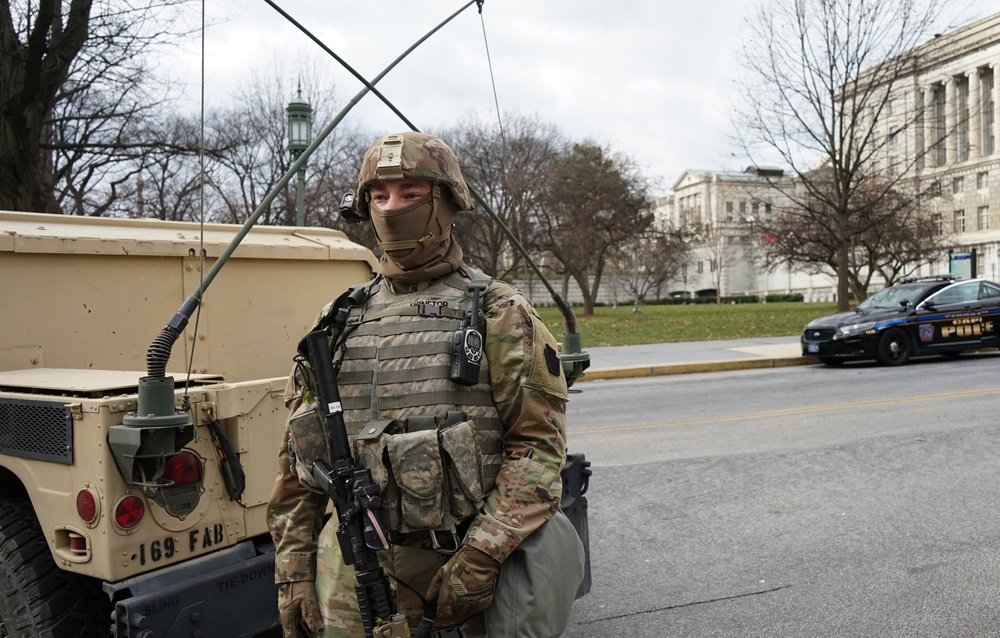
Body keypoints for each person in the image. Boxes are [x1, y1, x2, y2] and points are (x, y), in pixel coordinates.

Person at [267, 131, 584, 637]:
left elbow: (538, 451)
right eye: (379, 195)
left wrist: (481, 556)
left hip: (462, 572)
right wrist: (293, 575)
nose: (392, 208)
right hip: (348, 578)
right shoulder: (338, 321)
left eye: (411, 194)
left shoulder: (498, 312)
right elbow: (298, 461)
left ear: (447, 202)